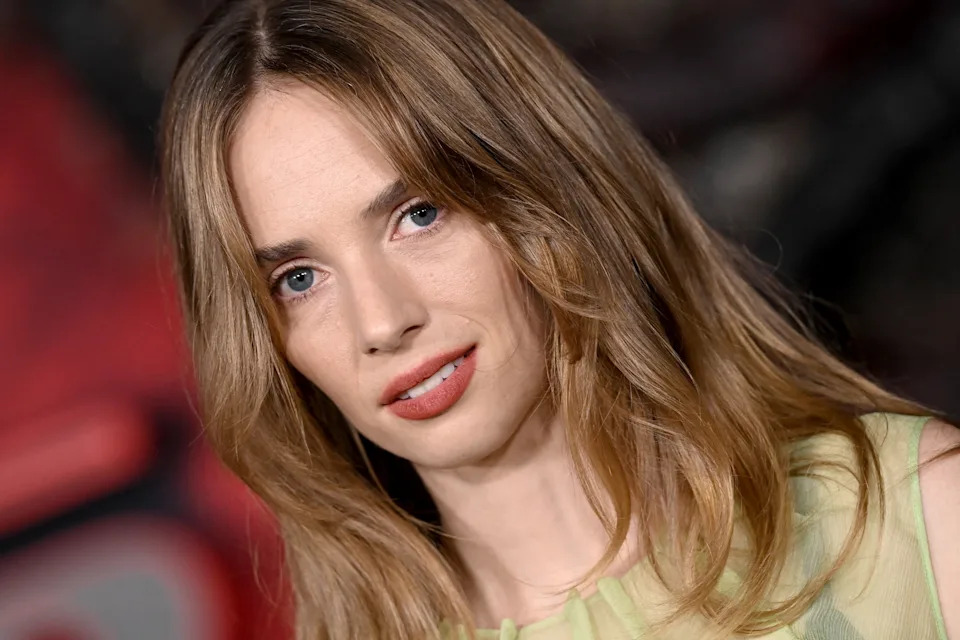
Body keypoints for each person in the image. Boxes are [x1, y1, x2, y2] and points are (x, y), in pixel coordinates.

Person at [158, 0, 960, 638]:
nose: (381, 321)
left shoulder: (914, 519)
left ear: (542, 194)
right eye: (299, 278)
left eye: (419, 214)